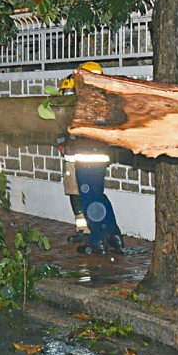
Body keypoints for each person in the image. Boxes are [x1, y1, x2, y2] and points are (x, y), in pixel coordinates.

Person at [59, 62, 125, 255]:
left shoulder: (87, 102)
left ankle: (98, 241)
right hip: (100, 157)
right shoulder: (106, 100)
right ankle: (114, 236)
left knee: (89, 200)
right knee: (99, 196)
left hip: (86, 157)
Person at [56, 73, 88, 243]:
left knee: (86, 195)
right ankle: (82, 229)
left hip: (84, 161)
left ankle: (89, 229)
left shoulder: (81, 110)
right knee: (73, 195)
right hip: (70, 161)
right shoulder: (64, 112)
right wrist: (62, 147)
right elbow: (59, 133)